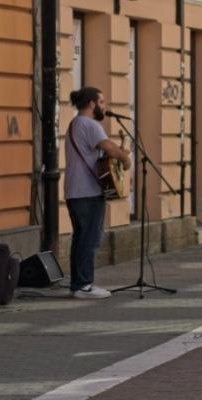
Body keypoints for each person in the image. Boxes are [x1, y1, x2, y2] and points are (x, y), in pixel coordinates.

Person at [64, 87, 132, 299]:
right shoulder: (90, 124)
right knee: (89, 240)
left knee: (80, 239)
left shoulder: (75, 124)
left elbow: (101, 157)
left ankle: (77, 284)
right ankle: (84, 286)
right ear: (92, 104)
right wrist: (125, 158)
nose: (105, 106)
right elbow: (109, 148)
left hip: (75, 192)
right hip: (88, 192)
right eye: (102, 102)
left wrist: (121, 151)